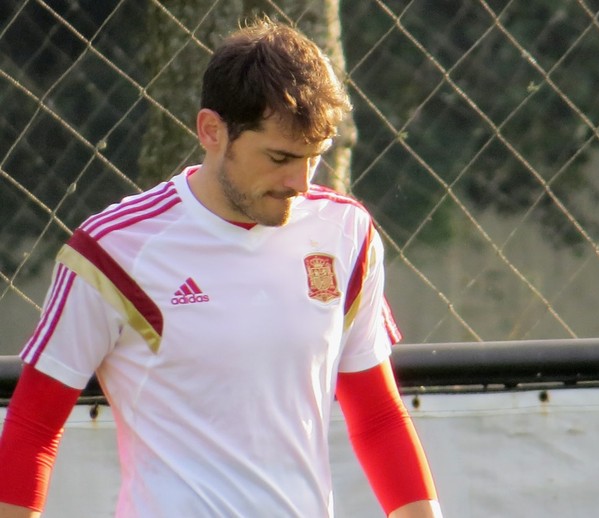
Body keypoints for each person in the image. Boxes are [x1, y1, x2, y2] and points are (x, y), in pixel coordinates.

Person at [0, 17, 441, 518]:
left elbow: (378, 416)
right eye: (279, 156)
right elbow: (34, 424)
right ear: (211, 130)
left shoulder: (346, 232)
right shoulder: (114, 248)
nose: (299, 181)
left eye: (314, 158)